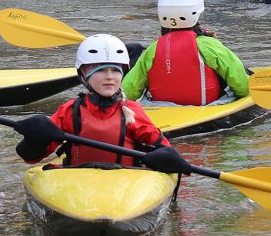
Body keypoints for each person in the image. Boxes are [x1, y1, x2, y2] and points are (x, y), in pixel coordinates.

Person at [10, 33, 188, 172]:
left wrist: (163, 156)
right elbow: (31, 158)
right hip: (79, 179)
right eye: (101, 71)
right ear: (84, 75)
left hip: (125, 182)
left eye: (115, 71)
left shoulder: (132, 111)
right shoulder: (71, 111)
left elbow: (163, 148)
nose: (110, 77)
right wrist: (34, 138)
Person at [121, 0, 250, 105]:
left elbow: (128, 91)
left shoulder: (152, 49)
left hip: (162, 108)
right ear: (198, 13)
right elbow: (242, 86)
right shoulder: (210, 45)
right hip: (209, 107)